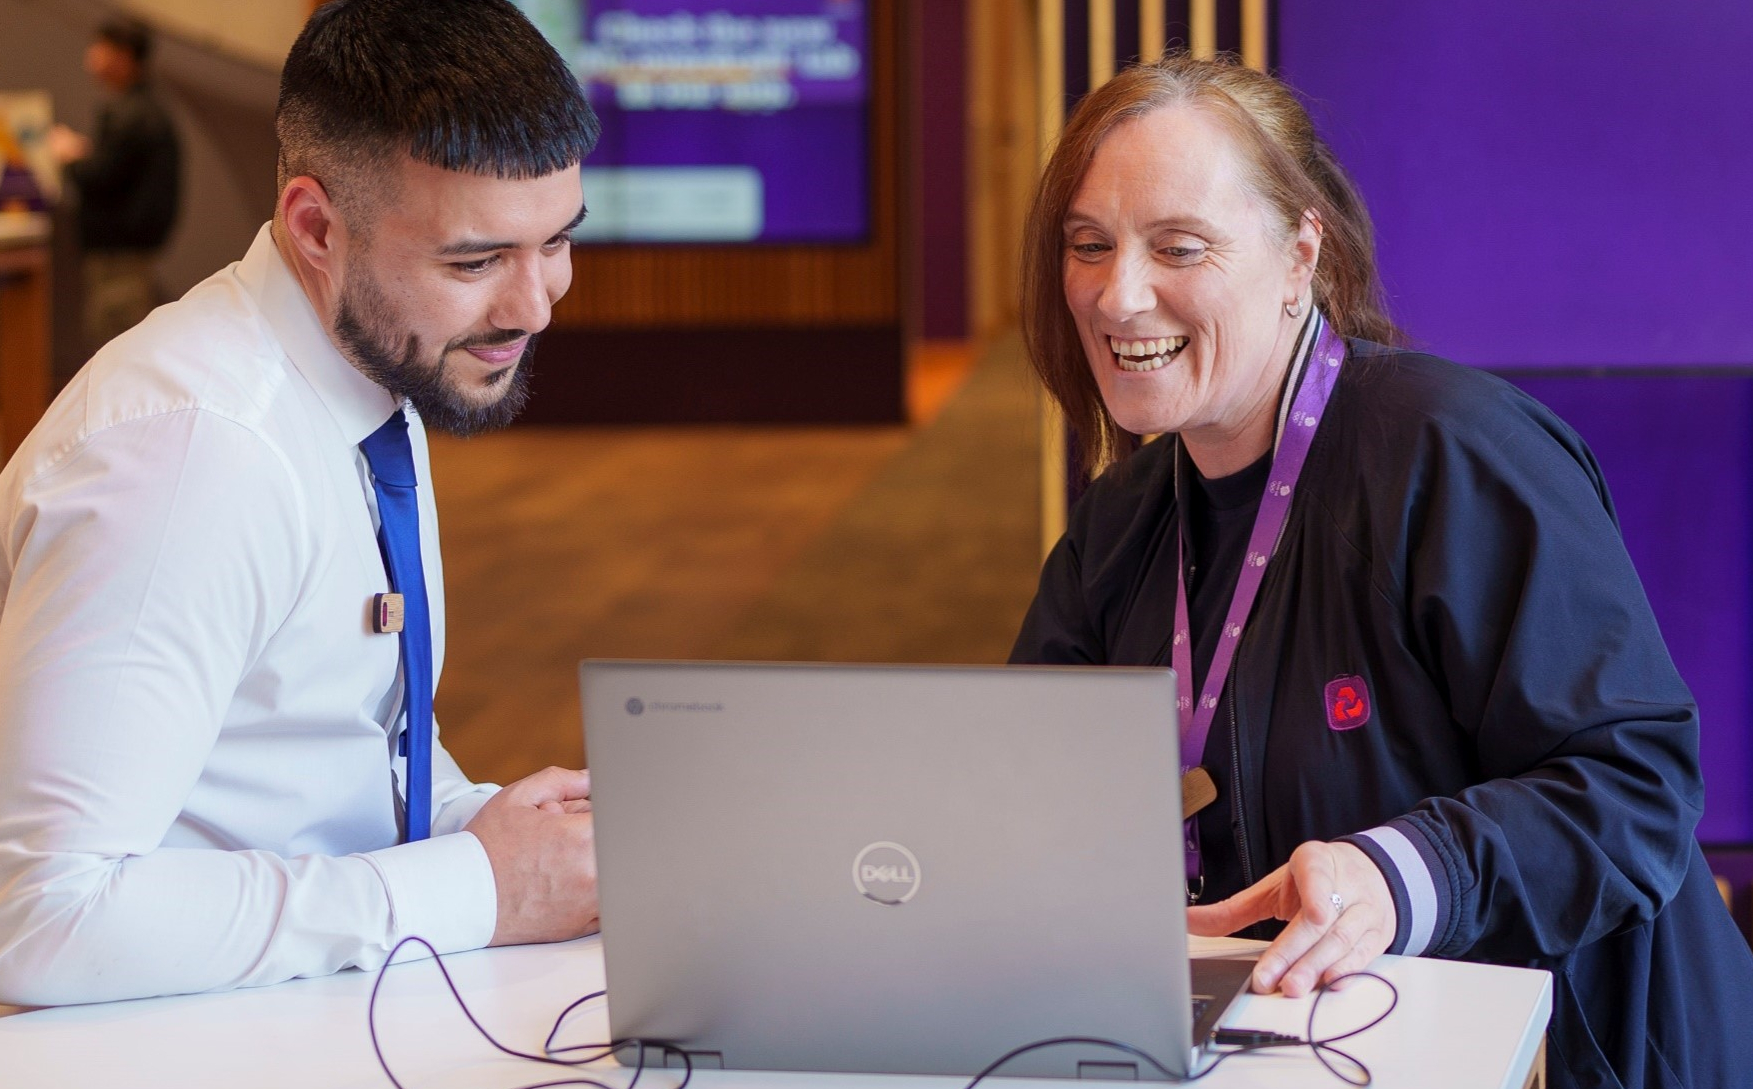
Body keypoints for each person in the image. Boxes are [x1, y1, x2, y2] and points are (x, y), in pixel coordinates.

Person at [1009, 53, 1753, 1089]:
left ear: (1298, 253)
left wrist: (1400, 875)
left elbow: (1633, 786)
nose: (1118, 295)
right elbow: (1021, 807)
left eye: (1177, 246)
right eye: (1088, 246)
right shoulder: (1117, 532)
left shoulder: (1453, 453)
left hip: (1564, 1058)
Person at [0, 0, 604, 1007]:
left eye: (556, 242)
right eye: (476, 261)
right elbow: (44, 920)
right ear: (317, 229)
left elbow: (310, 749)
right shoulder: (191, 460)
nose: (535, 305)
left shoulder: (373, 365)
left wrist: (483, 825)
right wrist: (479, 886)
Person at [49, 16, 182, 355]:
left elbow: (101, 177)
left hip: (118, 252)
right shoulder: (141, 108)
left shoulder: (131, 113)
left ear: (122, 57)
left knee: (116, 347)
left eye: (100, 48)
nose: (91, 56)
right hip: (126, 249)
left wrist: (70, 157)